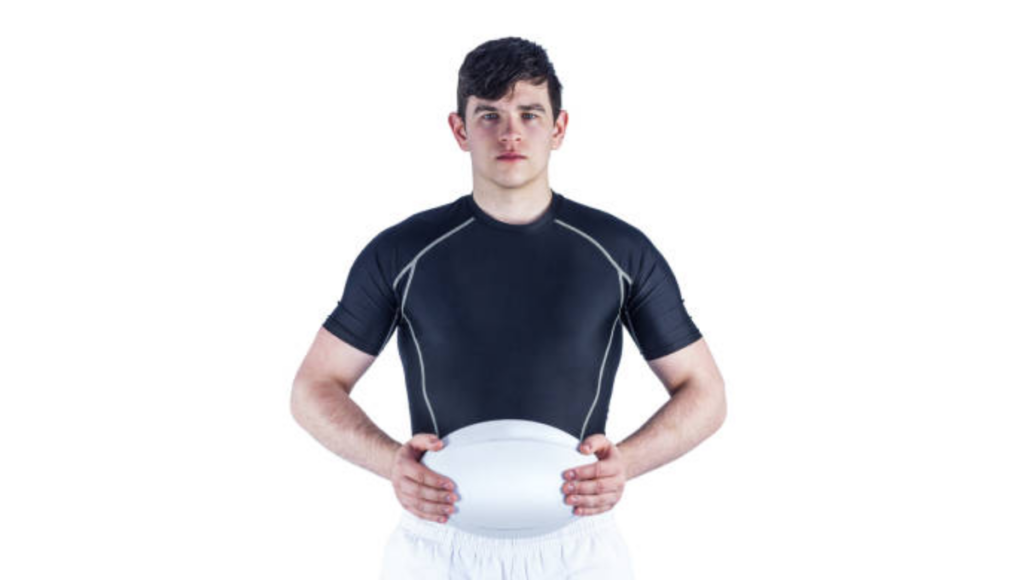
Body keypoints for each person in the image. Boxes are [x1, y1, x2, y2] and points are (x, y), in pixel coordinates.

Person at [290, 36, 727, 579]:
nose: (511, 132)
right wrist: (390, 464)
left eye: (529, 113)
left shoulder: (620, 251)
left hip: (576, 549)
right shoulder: (401, 252)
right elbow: (313, 387)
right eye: (489, 115)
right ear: (460, 129)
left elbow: (705, 392)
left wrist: (627, 464)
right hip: (440, 546)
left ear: (559, 128)